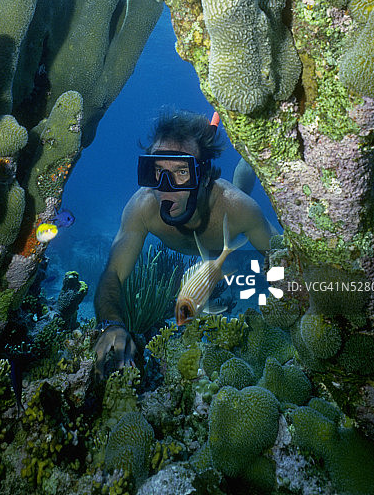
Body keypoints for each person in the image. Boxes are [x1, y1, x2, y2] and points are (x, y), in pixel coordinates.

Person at [93, 110, 279, 379]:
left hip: (226, 230)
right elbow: (113, 274)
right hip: (215, 252)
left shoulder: (238, 209)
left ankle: (247, 163)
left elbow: (285, 256)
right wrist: (111, 324)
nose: (165, 188)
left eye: (182, 172)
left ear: (203, 176)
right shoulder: (143, 207)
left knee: (241, 189)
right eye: (157, 171)